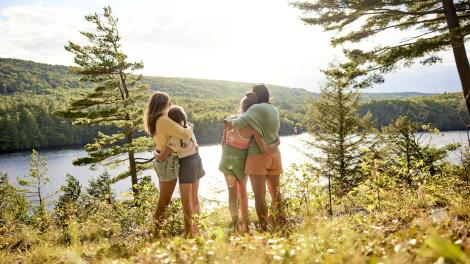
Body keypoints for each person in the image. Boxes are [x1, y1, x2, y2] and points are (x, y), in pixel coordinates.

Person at [219, 93, 280, 232]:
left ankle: (235, 227)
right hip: (242, 163)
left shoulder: (230, 121)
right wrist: (277, 142)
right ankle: (246, 226)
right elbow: (262, 148)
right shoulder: (252, 125)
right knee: (243, 193)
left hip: (226, 161)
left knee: (231, 195)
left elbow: (222, 144)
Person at [144, 92, 201, 236]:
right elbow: (185, 134)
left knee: (164, 200)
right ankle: (157, 233)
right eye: (169, 104)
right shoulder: (163, 119)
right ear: (163, 105)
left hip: (165, 160)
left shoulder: (158, 119)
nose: (170, 107)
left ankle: (158, 232)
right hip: (167, 161)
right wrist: (190, 126)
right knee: (164, 200)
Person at [155, 105, 205, 235]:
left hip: (187, 164)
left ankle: (189, 232)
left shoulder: (175, 138)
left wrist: (156, 154)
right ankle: (197, 228)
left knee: (185, 200)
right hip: (197, 159)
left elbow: (162, 156)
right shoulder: (188, 128)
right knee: (194, 197)